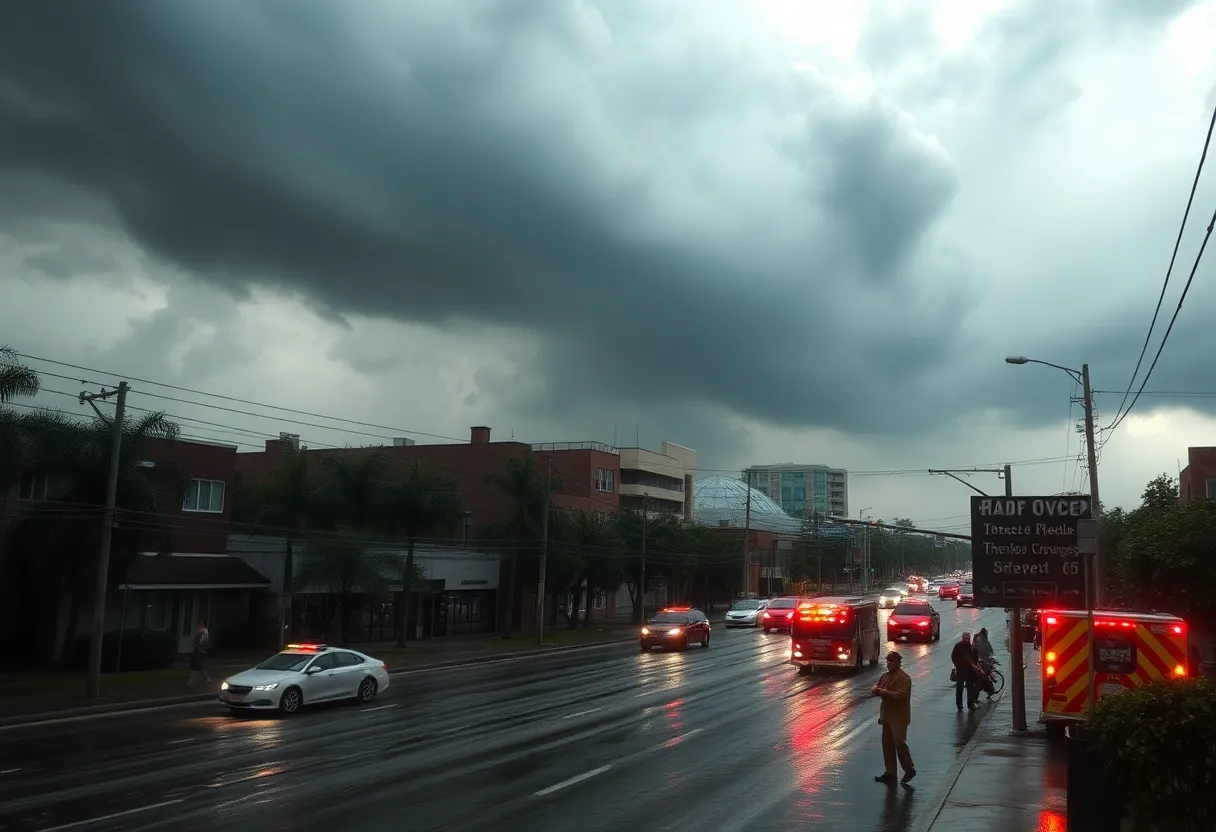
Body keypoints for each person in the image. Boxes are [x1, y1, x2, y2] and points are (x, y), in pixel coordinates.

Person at [872, 651, 917, 785]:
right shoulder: (885, 676)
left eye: (891, 661)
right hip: (887, 714)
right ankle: (890, 772)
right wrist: (875, 690)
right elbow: (877, 688)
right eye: (887, 661)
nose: (889, 664)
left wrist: (883, 692)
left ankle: (909, 769)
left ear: (898, 662)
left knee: (899, 743)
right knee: (887, 744)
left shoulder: (904, 678)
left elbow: (900, 695)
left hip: (899, 716)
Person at [951, 631, 981, 711]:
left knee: (968, 688)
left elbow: (975, 658)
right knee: (961, 688)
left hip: (968, 672)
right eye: (965, 638)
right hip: (961, 671)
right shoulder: (958, 646)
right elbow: (953, 657)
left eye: (967, 639)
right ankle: (961, 705)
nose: (966, 640)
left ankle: (968, 705)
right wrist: (957, 665)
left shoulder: (971, 647)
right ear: (962, 638)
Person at [188, 618, 212, 690]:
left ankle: (191, 681)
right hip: (197, 650)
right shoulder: (199, 630)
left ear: (204, 624)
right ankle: (207, 679)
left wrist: (200, 647)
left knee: (196, 665)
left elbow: (203, 642)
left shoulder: (204, 631)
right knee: (196, 665)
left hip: (200, 651)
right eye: (199, 623)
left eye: (201, 623)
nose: (199, 624)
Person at [974, 627, 996, 700]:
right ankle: (989, 691)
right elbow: (991, 652)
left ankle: (976, 696)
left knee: (981, 680)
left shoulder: (977, 643)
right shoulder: (986, 643)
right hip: (983, 663)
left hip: (981, 663)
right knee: (984, 679)